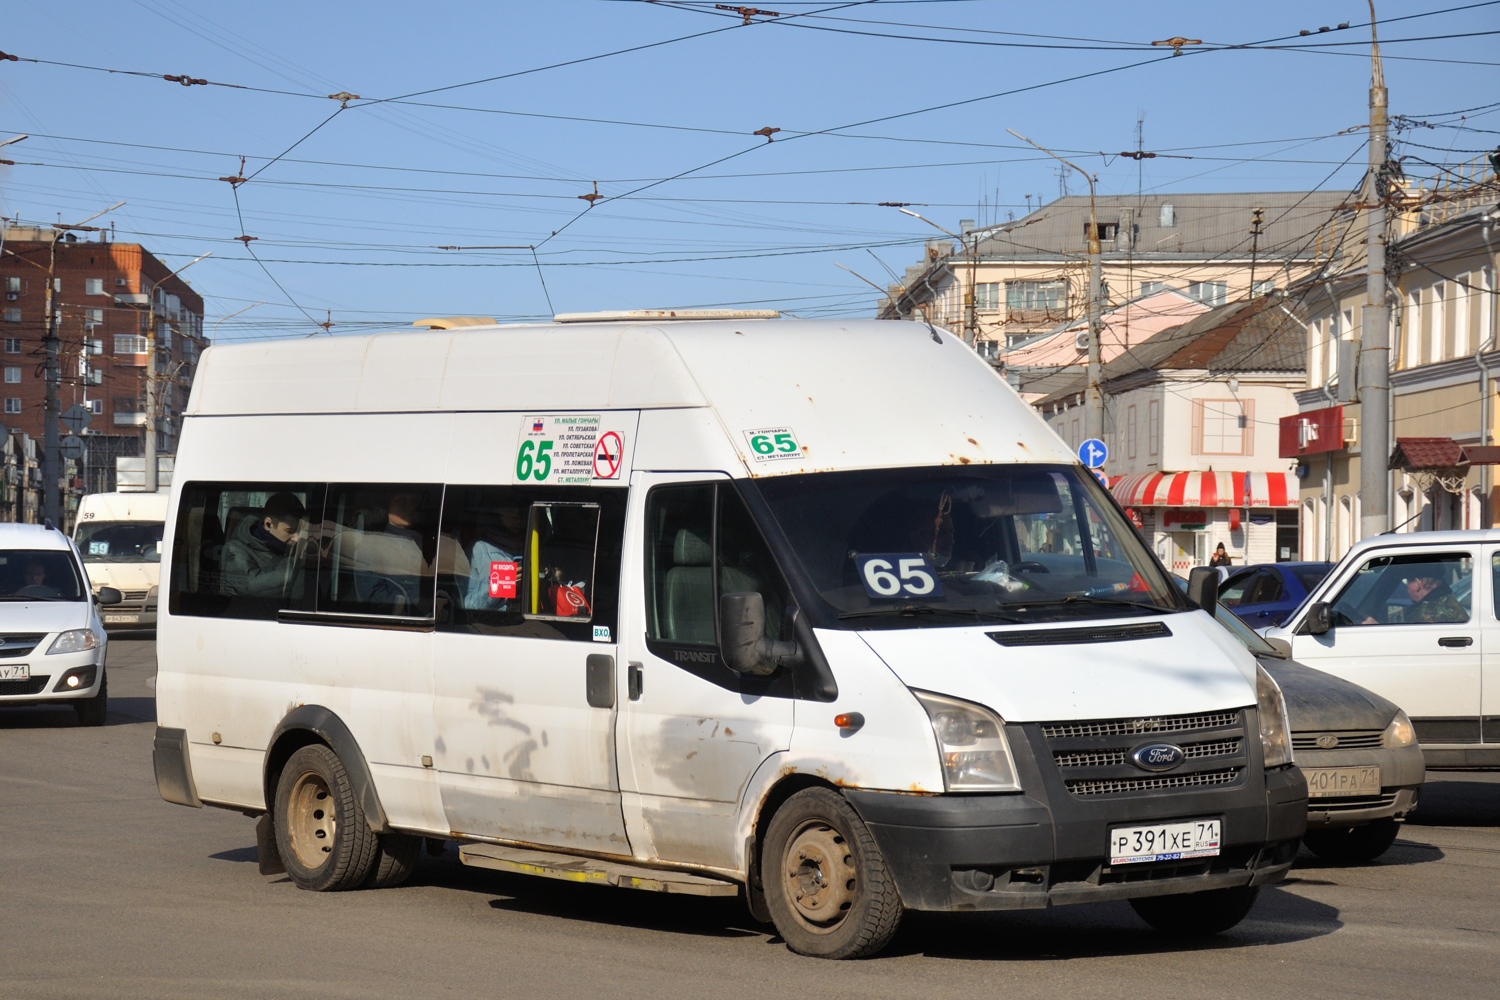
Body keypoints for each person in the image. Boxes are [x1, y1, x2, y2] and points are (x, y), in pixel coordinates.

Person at [222, 492, 307, 597]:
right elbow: (249, 585)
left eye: (299, 530)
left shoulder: (291, 547)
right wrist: (297, 563)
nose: (296, 537)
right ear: (268, 524)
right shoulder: (235, 549)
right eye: (290, 531)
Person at [1363, 570, 1467, 625]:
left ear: (1417, 583)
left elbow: (1404, 643)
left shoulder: (1427, 613)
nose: (1407, 588)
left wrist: (1377, 626)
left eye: (1408, 582)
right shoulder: (1447, 600)